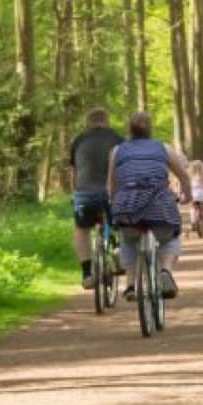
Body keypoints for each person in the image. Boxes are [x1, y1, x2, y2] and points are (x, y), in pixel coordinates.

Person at [106, 111, 193, 298]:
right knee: (171, 236)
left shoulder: (117, 151)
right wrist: (187, 196)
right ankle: (166, 271)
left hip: (127, 208)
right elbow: (184, 176)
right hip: (159, 207)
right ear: (150, 130)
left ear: (129, 130)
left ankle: (130, 285)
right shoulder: (164, 148)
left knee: (127, 238)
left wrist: (114, 203)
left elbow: (111, 184)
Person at [68, 106, 125, 289]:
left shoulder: (78, 140)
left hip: (85, 194)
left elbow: (74, 171)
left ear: (88, 122)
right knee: (124, 220)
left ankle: (86, 273)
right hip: (111, 194)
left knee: (81, 229)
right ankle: (118, 249)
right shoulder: (118, 139)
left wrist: (74, 193)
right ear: (106, 121)